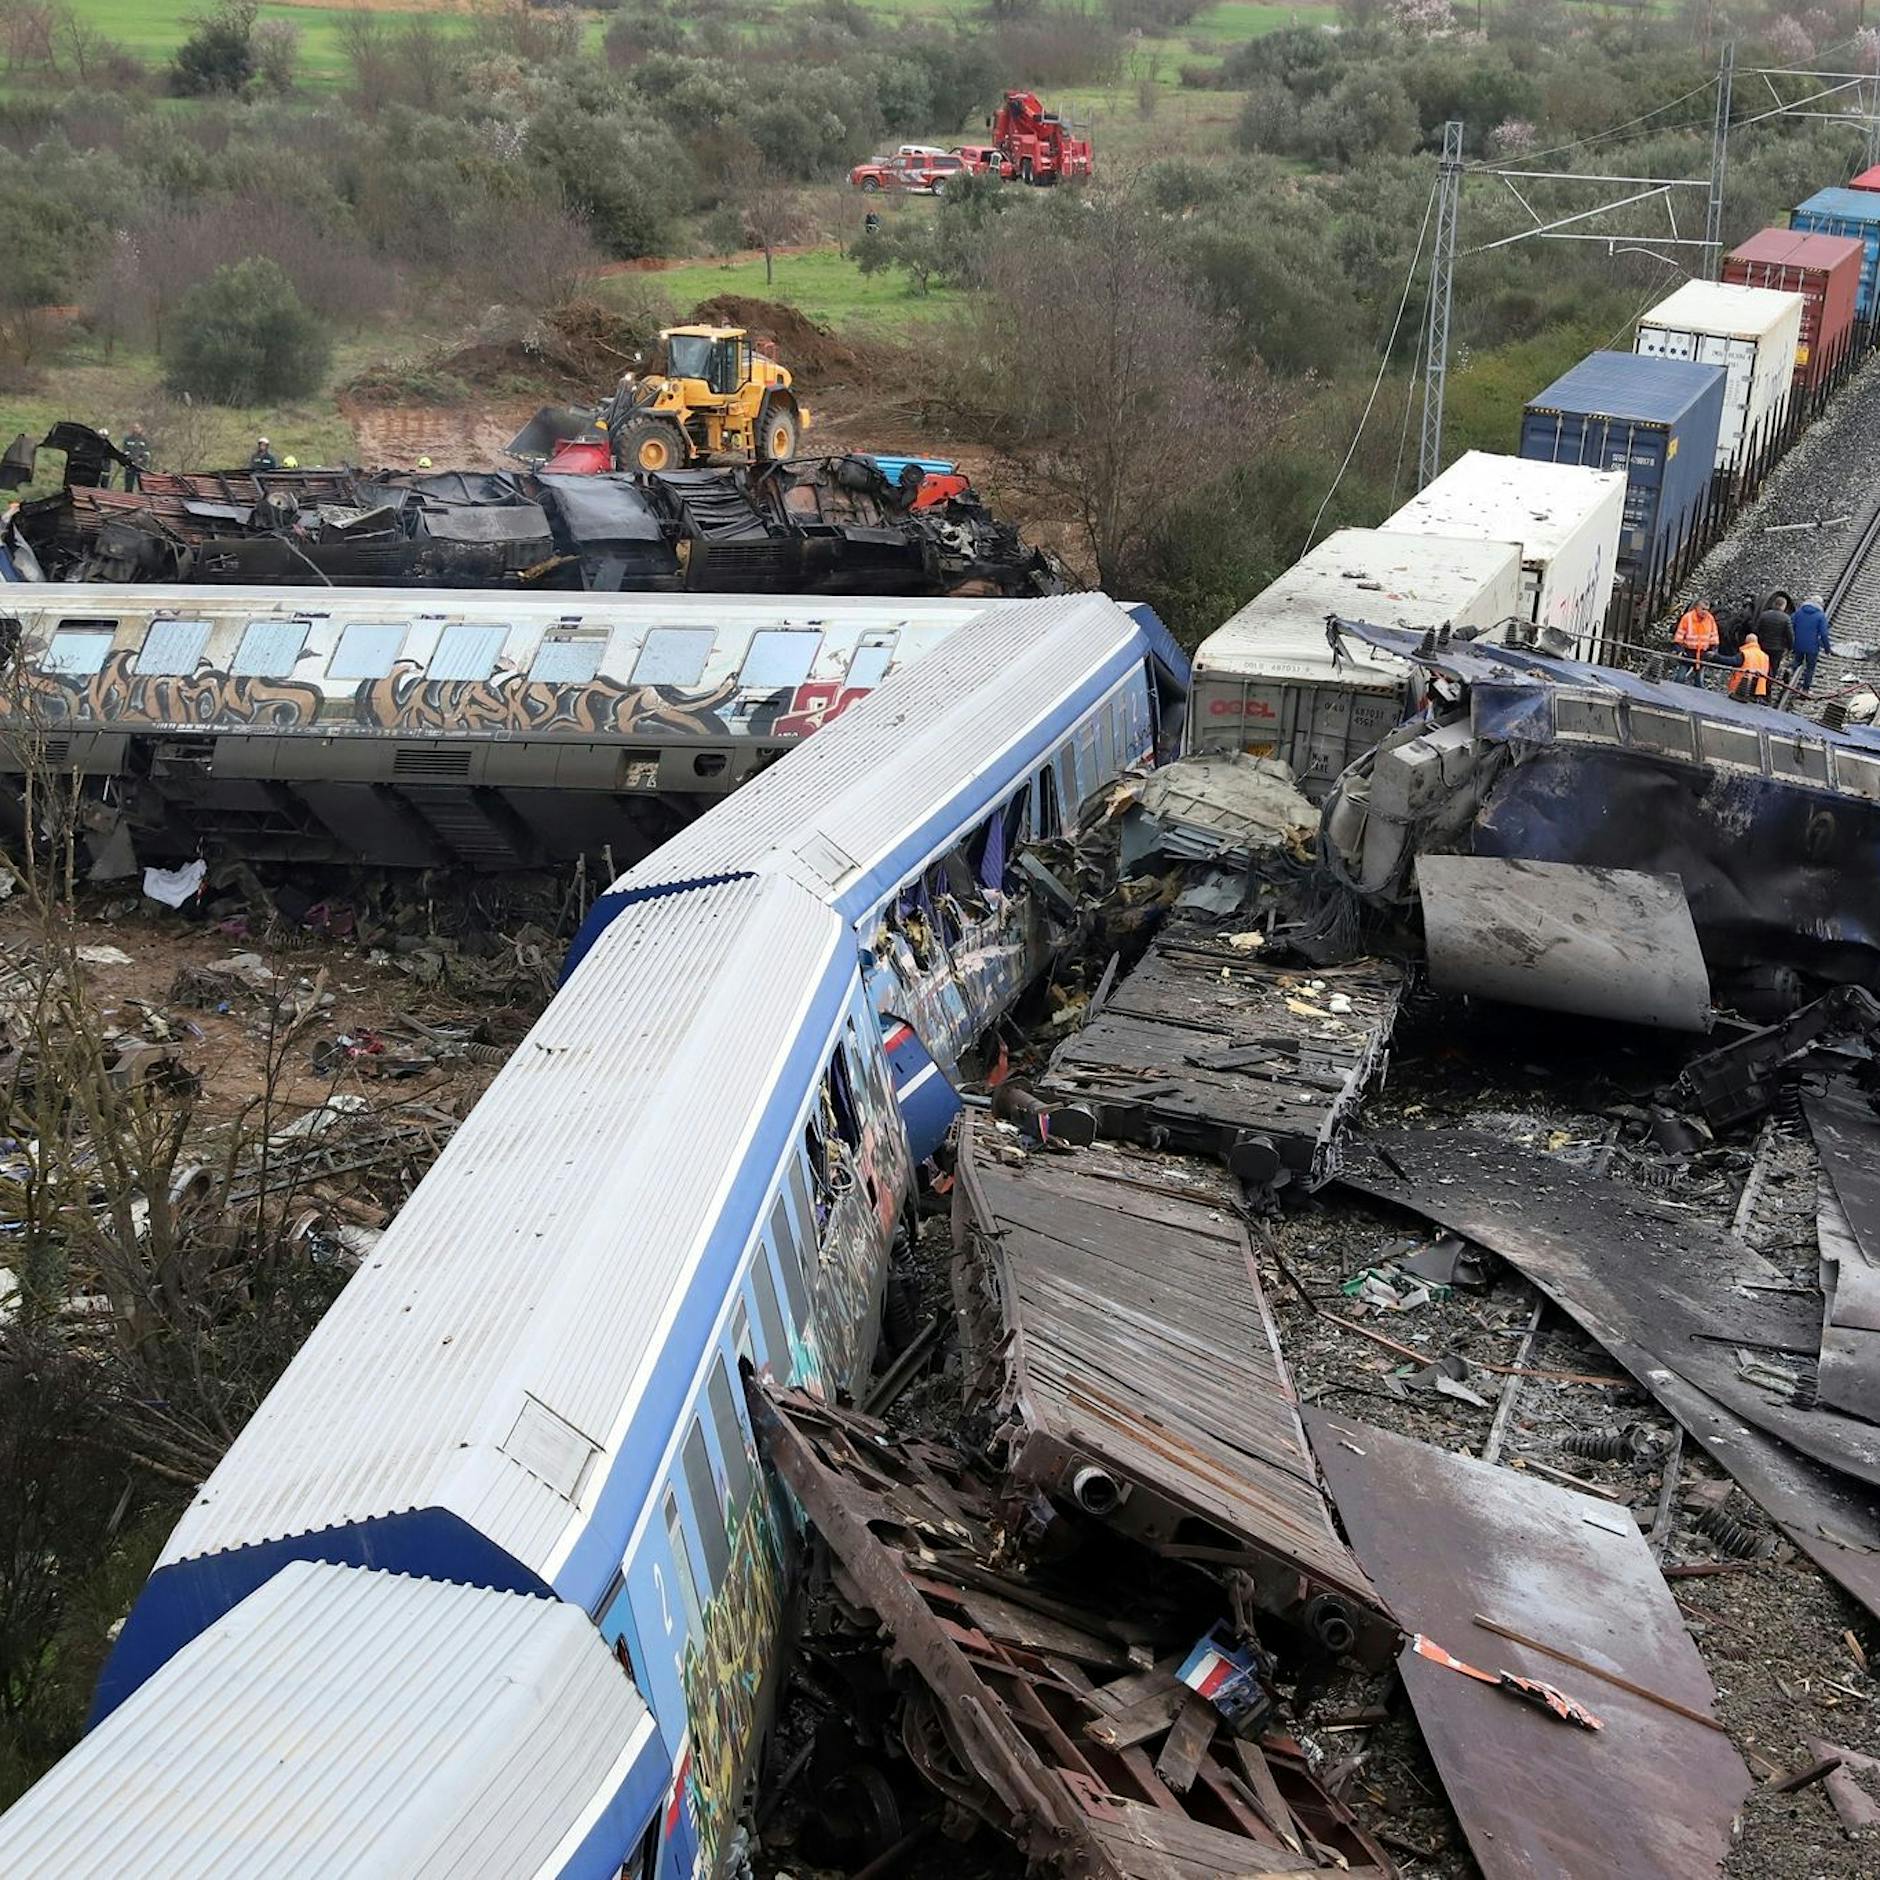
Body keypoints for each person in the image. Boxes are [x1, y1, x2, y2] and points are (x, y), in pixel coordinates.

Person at [1790, 595, 1832, 698]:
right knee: (1810, 667)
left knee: (1797, 660)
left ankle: (1790, 670)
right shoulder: (1820, 616)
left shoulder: (1799, 612)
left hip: (1798, 643)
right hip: (1812, 646)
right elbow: (1823, 634)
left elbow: (1790, 624)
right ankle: (1805, 690)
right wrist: (1827, 649)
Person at [1673, 602, 1719, 685]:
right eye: (1703, 609)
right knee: (1680, 678)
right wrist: (1679, 650)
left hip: (1702, 653)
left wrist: (1713, 650)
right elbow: (1679, 635)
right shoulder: (1687, 618)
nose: (1705, 612)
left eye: (1707, 610)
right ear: (1697, 607)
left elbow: (1714, 636)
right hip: (1688, 652)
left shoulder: (1710, 619)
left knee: (1699, 681)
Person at [1755, 589, 1795, 684]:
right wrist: (1790, 647)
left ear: (1774, 604)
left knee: (1761, 666)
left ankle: (1756, 686)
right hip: (1777, 649)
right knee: (1772, 669)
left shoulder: (1764, 615)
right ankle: (1767, 690)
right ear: (1783, 606)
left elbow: (1756, 630)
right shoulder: (1786, 619)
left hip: (1763, 646)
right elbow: (1790, 635)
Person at [1729, 632, 1770, 701]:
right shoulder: (1765, 656)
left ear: (1746, 641)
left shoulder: (1745, 653)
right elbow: (1769, 674)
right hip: (1757, 689)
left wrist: (1715, 657)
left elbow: (1732, 661)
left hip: (1741, 686)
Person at [121, 424, 151, 491]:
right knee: (129, 484)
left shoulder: (144, 440)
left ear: (141, 429)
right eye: (134, 428)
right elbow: (125, 452)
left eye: (137, 428)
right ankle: (128, 497)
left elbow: (146, 453)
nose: (136, 429)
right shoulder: (127, 439)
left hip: (141, 466)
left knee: (142, 484)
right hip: (130, 465)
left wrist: (142, 460)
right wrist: (130, 460)